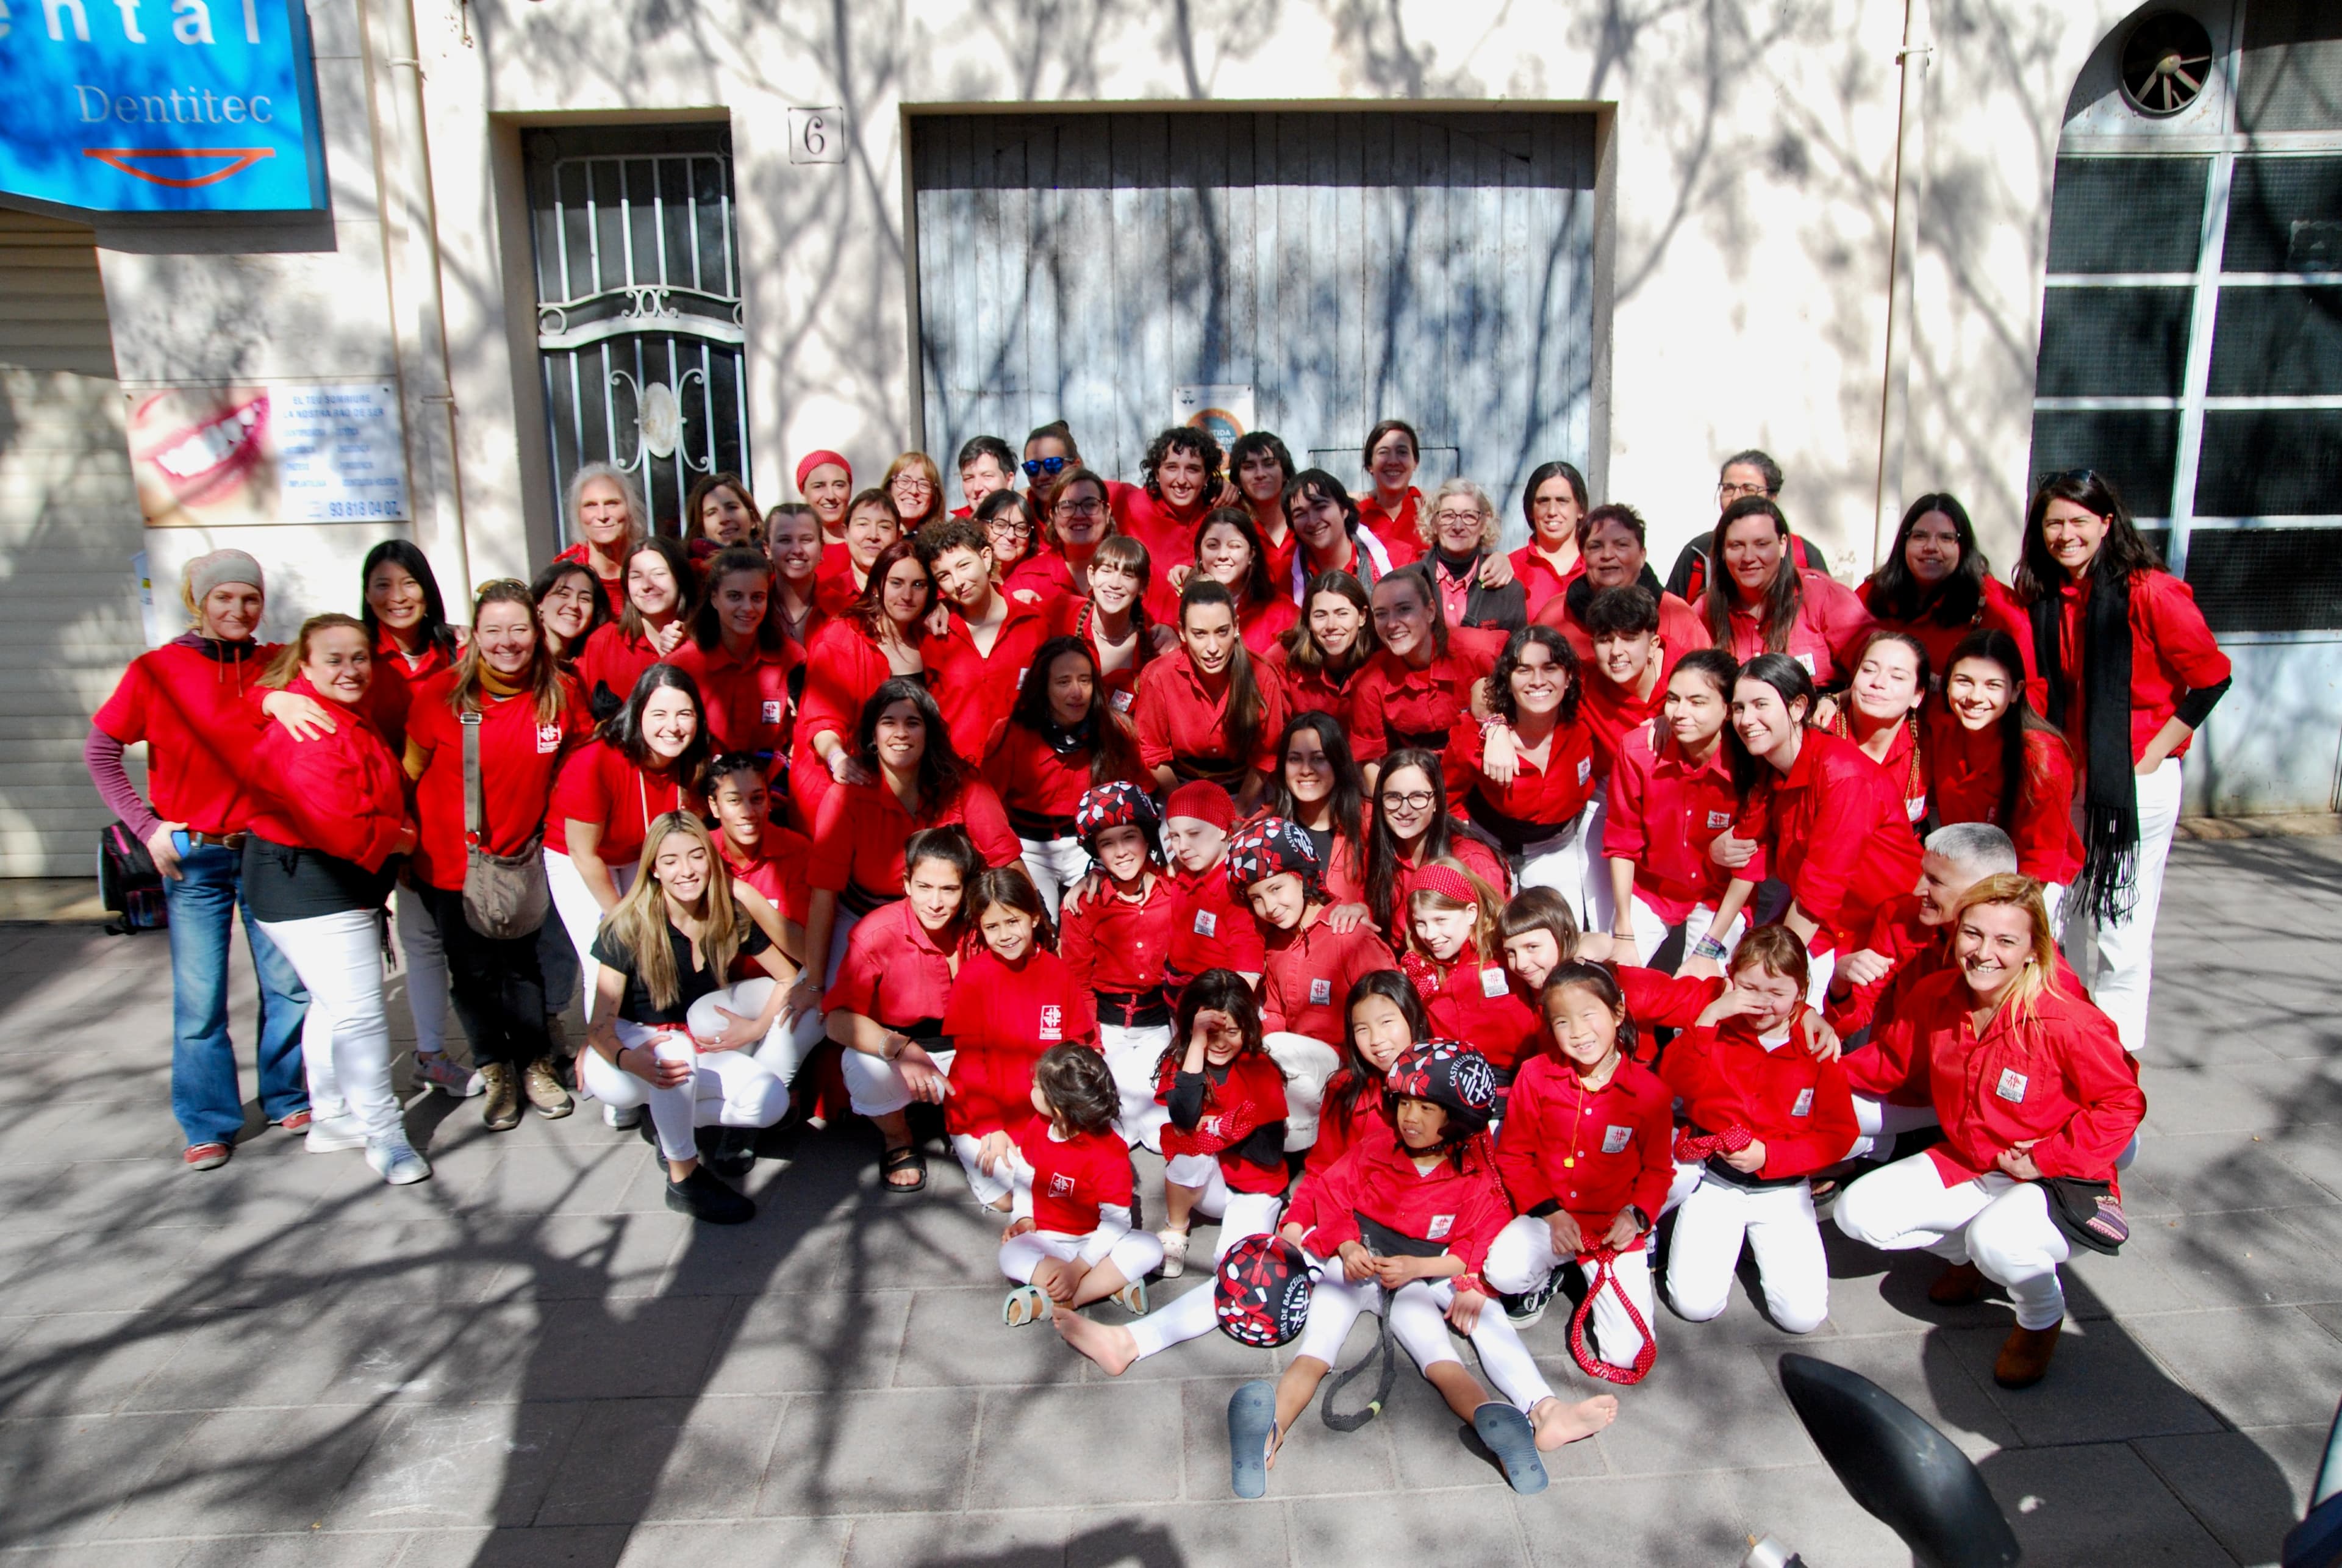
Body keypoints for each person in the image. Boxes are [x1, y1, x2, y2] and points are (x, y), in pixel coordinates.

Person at [1237, 1040, 1612, 1499]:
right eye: (1405, 1103)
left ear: (1457, 1116)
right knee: (1316, 1352)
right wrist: (1348, 1244)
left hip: (1416, 1278)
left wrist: (1423, 1266)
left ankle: (1518, 1431)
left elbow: (1479, 1240)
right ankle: (1268, 1434)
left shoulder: (1477, 1173)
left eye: (1427, 1106)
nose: (1409, 1117)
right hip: (1355, 1269)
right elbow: (1333, 1195)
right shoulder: (1378, 1147)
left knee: (1447, 1360)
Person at [1835, 873, 2146, 1387]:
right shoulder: (1938, 994)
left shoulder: (2065, 1019)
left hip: (2053, 1177)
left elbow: (2121, 1102)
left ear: (2033, 949)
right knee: (1857, 1214)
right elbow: (1888, 1063)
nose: (1983, 952)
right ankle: (1973, 1258)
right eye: (1973, 934)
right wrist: (1802, 1063)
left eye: (2006, 940)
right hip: (1970, 1159)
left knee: (1995, 1238)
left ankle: (2039, 1320)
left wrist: (2046, 1158)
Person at [87, 550, 310, 1170]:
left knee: (289, 987)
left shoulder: (276, 666)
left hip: (269, 852)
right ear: (199, 602)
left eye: (250, 598)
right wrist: (147, 826)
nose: (238, 610)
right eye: (224, 598)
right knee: (200, 997)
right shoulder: (156, 671)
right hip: (196, 860)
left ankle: (289, 1093)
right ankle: (208, 1120)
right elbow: (101, 749)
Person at [2014, 468, 2230, 1051]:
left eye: (2079, 522)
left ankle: (2113, 1056)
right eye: (2053, 523)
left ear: (2107, 524)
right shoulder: (2042, 595)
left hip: (2132, 782)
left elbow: (2211, 678)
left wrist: (2155, 751)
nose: (2065, 535)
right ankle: (2053, 1036)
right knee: (2049, 911)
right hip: (2062, 777)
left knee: (2119, 926)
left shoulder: (2149, 591)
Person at [244, 614, 426, 1184]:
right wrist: (400, 838)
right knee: (360, 1013)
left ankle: (332, 1116)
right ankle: (386, 1134)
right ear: (306, 666)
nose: (350, 670)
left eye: (359, 658)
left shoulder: (329, 710)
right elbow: (341, 826)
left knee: (330, 1006)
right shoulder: (310, 729)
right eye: (335, 659)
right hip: (315, 881)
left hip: (307, 878)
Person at [404, 581, 587, 1128]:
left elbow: (578, 767)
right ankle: (495, 1069)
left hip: (523, 861)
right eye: (494, 630)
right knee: (475, 975)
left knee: (525, 969)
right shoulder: (439, 696)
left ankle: (534, 1063)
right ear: (475, 636)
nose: (508, 642)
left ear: (536, 629)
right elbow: (407, 774)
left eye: (518, 629)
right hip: (450, 864)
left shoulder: (560, 693)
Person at [579, 812, 804, 1225]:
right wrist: (629, 1059)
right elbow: (599, 1025)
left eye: (697, 856)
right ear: (654, 869)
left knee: (768, 1099)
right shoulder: (627, 924)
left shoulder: (726, 913)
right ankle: (684, 1176)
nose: (686, 870)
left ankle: (666, 1120)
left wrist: (756, 1027)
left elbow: (789, 975)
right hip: (630, 1051)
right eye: (670, 861)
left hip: (690, 1048)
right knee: (673, 1052)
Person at [1059, 971, 1287, 1363]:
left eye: (1230, 1031)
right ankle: (1176, 1229)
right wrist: (1196, 1050)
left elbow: (1267, 1153)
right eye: (1208, 1031)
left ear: (1247, 1029)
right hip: (1210, 1183)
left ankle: (1131, 1343)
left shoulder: (1258, 1068)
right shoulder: (1184, 1062)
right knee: (1187, 1149)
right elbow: (1183, 1118)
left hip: (1254, 1188)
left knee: (1233, 1273)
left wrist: (1216, 1129)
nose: (1220, 1041)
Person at [1660, 925, 1858, 1334]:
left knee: (1802, 1317)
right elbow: (1675, 1080)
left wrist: (1772, 1156)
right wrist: (1710, 1016)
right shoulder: (1717, 1029)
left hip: (1783, 1189)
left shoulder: (1816, 1045)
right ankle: (1730, 1242)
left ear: (1801, 993)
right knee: (1693, 1304)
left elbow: (1840, 1133)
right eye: (1749, 988)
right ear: (1731, 978)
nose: (1762, 1003)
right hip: (1717, 1179)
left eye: (1776, 993)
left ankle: (1755, 1246)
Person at [1486, 962, 1672, 1362]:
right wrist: (1551, 1213)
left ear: (1618, 1012)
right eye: (1562, 1021)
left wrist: (1637, 1217)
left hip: (1611, 1228)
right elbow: (1515, 1155)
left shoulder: (1650, 1091)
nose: (1578, 1032)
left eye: (1590, 1015)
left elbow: (1658, 1171)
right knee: (1501, 1271)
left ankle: (1596, 1275)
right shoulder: (1535, 1075)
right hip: (1551, 1217)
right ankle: (1550, 1273)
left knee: (1627, 1354)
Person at [797, 678, 1022, 1009]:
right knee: (816, 1015)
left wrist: (1039, 930)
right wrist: (814, 982)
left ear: (929, 733)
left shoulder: (962, 783)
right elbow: (823, 895)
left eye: (912, 723)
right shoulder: (845, 797)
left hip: (942, 916)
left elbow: (1006, 860)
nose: (900, 733)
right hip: (860, 916)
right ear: (873, 735)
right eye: (888, 722)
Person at [1711, 653, 1924, 999]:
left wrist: (1775, 973)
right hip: (1824, 927)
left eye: (1761, 705)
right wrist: (1710, 945)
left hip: (1880, 933)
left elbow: (1820, 891)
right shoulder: (1769, 766)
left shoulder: (1842, 775)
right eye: (1739, 708)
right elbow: (1750, 850)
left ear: (1798, 708)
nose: (1747, 719)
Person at [543, 662, 711, 1073]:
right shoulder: (596, 760)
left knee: (658, 945)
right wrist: (622, 914)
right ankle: (610, 1068)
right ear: (638, 713)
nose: (673, 726)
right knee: (606, 951)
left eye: (684, 714)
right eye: (660, 714)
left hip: (642, 849)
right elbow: (584, 853)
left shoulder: (693, 761)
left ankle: (658, 1039)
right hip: (581, 856)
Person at [1827, 823, 2024, 1165]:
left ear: (1983, 892)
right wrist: (1841, 981)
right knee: (1812, 1103)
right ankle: (1905, 1145)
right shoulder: (1901, 918)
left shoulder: (2024, 948)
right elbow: (1856, 1021)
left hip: (1984, 1097)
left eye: (1935, 881)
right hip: (1907, 1082)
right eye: (1923, 874)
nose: (1919, 888)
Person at [355, 541, 467, 1095]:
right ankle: (429, 1052)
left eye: (408, 584)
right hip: (389, 825)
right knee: (419, 942)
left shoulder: (460, 651)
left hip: (460, 824)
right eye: (382, 585)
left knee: (471, 946)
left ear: (427, 590)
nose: (397, 597)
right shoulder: (359, 657)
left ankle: (502, 1056)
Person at [823, 826, 982, 1192]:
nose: (935, 902)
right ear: (907, 883)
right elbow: (837, 1021)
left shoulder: (980, 923)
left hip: (969, 1047)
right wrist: (900, 1047)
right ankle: (898, 1136)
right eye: (925, 887)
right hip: (902, 1045)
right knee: (860, 1064)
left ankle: (969, 1123)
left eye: (949, 889)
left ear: (966, 888)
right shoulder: (876, 933)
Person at [1228, 817, 1397, 1150]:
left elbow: (1391, 1017)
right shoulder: (1276, 944)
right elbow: (1276, 1013)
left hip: (1351, 1068)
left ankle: (1297, 1144)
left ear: (1304, 878)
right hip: (1299, 1073)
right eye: (1256, 898)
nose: (1270, 907)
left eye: (1276, 889)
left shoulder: (1350, 936)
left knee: (1278, 1050)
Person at [941, 866, 1101, 1208]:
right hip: (983, 1113)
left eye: (1012, 921)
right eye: (992, 927)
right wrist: (990, 1127)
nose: (1004, 935)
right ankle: (964, 1146)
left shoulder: (1057, 972)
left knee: (1069, 1189)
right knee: (1010, 1202)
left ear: (1032, 918)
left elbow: (1074, 1046)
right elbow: (969, 1062)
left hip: (1044, 1112)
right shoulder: (972, 979)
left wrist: (1070, 1112)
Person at [982, 637, 1147, 920]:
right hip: (1029, 848)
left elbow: (1137, 800)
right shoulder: (1011, 734)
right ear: (1043, 688)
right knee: (1039, 923)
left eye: (1085, 680)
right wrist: (1010, 863)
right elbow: (988, 811)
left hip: (1090, 844)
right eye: (1063, 682)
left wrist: (1101, 863)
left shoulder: (1114, 729)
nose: (1077, 692)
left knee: (1103, 916)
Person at [1603, 648, 1747, 970]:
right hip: (1653, 888)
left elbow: (1751, 865)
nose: (1680, 713)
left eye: (1698, 702)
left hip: (1719, 896)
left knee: (1703, 992)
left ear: (1727, 709)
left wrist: (1709, 947)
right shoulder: (1640, 750)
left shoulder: (1749, 761)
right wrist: (1624, 932)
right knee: (1613, 979)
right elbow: (1622, 843)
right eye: (1673, 699)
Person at [998, 1044, 1162, 1325]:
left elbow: (1116, 1221)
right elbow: (1025, 1173)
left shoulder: (1108, 1153)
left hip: (1098, 1242)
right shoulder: (1037, 1127)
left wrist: (1077, 1268)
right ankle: (1108, 1284)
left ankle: (1065, 1299)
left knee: (1150, 1248)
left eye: (1037, 1086)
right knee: (1011, 1254)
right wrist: (1024, 1217)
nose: (1031, 1089)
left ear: (1059, 1107)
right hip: (1047, 1239)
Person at [1059, 782, 1181, 1147]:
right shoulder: (1084, 904)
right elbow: (1078, 983)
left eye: (1130, 837)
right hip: (1111, 1030)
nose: (1122, 852)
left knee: (1161, 1136)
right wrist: (1090, 1044)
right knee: (1117, 1134)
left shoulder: (1177, 890)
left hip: (1160, 1024)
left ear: (1147, 838)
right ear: (1095, 852)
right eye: (1107, 843)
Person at [1444, 624, 1597, 907]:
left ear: (1569, 677)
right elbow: (1448, 800)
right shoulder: (1473, 737)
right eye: (1523, 670)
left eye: (1550, 668)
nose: (1537, 680)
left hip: (1555, 847)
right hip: (1487, 843)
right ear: (1508, 679)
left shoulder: (1584, 718)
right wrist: (1469, 852)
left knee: (1559, 938)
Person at [1929, 629, 2082, 901]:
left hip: (2030, 887)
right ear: (1948, 684)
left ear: (2016, 692)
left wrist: (2000, 910)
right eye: (1964, 681)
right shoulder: (1942, 731)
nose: (1975, 697)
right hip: (1966, 876)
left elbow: (2042, 860)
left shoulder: (2042, 756)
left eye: (1993, 685)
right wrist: (1838, 700)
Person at [789, 537, 934, 825]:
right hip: (847, 787)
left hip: (910, 787)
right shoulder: (843, 636)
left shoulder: (929, 639)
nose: (907, 594)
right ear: (878, 587)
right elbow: (821, 719)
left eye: (918, 584)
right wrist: (838, 759)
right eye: (896, 583)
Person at [921, 517, 1076, 759]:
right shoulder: (933, 633)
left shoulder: (1034, 624)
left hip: (1023, 774)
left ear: (985, 557)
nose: (958, 582)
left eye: (963, 566)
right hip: (955, 775)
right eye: (944, 576)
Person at [1131, 578, 1285, 808]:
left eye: (1222, 632)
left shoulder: (1262, 676)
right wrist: (1183, 806)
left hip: (1246, 792)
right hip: (1179, 790)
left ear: (1236, 627)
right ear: (1182, 632)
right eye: (1200, 634)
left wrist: (1240, 810)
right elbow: (1153, 751)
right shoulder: (1159, 676)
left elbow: (1265, 757)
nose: (1212, 648)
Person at [1859, 493, 2035, 686]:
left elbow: (2030, 689)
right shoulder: (1874, 594)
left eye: (1946, 538)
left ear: (1964, 546)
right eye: (1920, 536)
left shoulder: (1997, 607)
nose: (1931, 547)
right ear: (1904, 542)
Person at [1700, 496, 1875, 687]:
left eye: (1761, 544)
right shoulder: (1705, 610)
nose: (1748, 557)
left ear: (1783, 544)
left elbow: (1881, 670)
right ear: (1723, 552)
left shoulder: (1824, 597)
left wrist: (1837, 700)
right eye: (1736, 546)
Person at [1350, 567, 1505, 772]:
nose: (1392, 624)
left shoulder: (1481, 652)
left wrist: (1500, 732)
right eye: (1381, 614)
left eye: (1404, 609)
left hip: (1488, 772)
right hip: (1418, 787)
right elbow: (1369, 761)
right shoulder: (1370, 681)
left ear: (1430, 611)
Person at [1402, 862, 1544, 1083]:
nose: (1430, 934)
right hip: (1451, 1083)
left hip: (1514, 1077)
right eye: (1421, 923)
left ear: (1471, 913)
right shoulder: (1419, 969)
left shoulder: (1503, 952)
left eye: (1441, 920)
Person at [667, 546, 801, 765]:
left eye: (757, 597)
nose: (747, 607)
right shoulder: (683, 665)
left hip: (772, 788)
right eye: (735, 597)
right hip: (703, 784)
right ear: (713, 599)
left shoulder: (791, 658)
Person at [1362, 748, 1510, 940]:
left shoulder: (1471, 858)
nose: (1404, 809)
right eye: (1394, 797)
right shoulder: (1380, 854)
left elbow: (1493, 936)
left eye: (1418, 797)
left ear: (1437, 802)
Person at [1536, 502, 1708, 664]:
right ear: (1583, 556)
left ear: (1642, 556)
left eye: (1621, 545)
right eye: (1596, 546)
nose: (1608, 555)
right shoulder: (1555, 616)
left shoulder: (1677, 616)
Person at [1156, 780, 1268, 1003]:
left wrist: (1225, 1011)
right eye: (1175, 836)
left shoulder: (1234, 887)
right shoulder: (1183, 876)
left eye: (1193, 833)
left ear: (1220, 829)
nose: (1183, 846)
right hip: (1177, 996)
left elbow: (1247, 964)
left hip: (1216, 1002)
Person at [1310, 970, 1430, 1176]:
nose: (1376, 1039)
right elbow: (1322, 1169)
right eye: (1362, 1029)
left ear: (1412, 1018)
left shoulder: (1448, 1082)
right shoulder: (1344, 1088)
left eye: (1386, 1022)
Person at [1664, 449, 1821, 604]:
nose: (1736, 498)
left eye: (1749, 489)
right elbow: (1670, 621)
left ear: (1772, 498)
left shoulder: (1804, 554)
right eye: (1728, 488)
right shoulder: (1699, 554)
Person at [1818, 631, 1930, 828]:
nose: (1878, 683)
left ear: (1918, 696)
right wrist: (1830, 698)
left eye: (1897, 677)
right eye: (1868, 670)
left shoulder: (1930, 739)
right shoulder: (1819, 732)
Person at [1263, 712, 1373, 909]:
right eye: (1295, 759)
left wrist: (1364, 910)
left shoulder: (1370, 821)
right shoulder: (1264, 829)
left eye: (1319, 759)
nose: (1306, 770)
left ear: (1338, 763)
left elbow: (1391, 896)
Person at [576, 536, 695, 719]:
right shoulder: (602, 642)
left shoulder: (705, 640)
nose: (647, 585)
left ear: (680, 578)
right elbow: (582, 716)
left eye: (659, 574)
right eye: (636, 576)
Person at [1113, 426, 1226, 617]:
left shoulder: (1220, 517)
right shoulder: (1130, 502)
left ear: (1207, 476)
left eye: (1193, 469)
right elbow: (1074, 488)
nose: (1181, 480)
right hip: (1143, 633)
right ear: (1157, 473)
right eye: (1172, 467)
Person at [1262, 570, 1377, 731]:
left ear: (1362, 617)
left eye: (1342, 614)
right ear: (1308, 619)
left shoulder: (1380, 658)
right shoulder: (1283, 661)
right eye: (1320, 615)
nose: (1331, 626)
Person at [1420, 479, 1527, 633]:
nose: (1458, 526)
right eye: (1448, 516)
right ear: (1434, 522)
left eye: (1469, 516)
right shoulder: (1410, 582)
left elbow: (1514, 654)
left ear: (1484, 524)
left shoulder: (1508, 592)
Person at [1189, 506, 1297, 654]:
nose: (1223, 555)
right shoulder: (1184, 607)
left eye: (1234, 546)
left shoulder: (1283, 612)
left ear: (1252, 554)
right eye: (1212, 546)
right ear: (1200, 553)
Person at [1072, 532, 1156, 713]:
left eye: (1128, 575)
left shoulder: (1151, 649)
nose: (1115, 583)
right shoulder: (1061, 614)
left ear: (1143, 586)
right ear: (1091, 575)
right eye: (1107, 571)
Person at [553, 462, 646, 618]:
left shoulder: (651, 570)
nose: (602, 516)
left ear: (630, 510)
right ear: (578, 515)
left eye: (612, 503)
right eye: (590, 505)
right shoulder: (565, 580)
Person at [1284, 468, 1394, 600]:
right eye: (1300, 514)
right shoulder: (1284, 580)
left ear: (1344, 509)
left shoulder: (1397, 559)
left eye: (1321, 507)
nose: (1312, 522)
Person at [1510, 460, 1589, 618]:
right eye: (1543, 501)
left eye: (1562, 501)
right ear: (1531, 510)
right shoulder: (1512, 569)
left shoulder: (1599, 565)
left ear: (1580, 509)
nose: (1552, 511)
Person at [813, 489, 905, 617]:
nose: (873, 536)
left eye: (884, 527)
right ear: (846, 533)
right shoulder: (826, 595)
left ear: (898, 537)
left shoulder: (910, 595)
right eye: (863, 524)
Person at [1227, 429, 1302, 587]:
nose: (1260, 474)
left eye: (1269, 464)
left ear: (1286, 473)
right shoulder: (1232, 528)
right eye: (1249, 467)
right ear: (1238, 479)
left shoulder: (1306, 520)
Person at [1356, 418, 1427, 566]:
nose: (1393, 461)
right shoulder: (1355, 517)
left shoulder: (1432, 513)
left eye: (1402, 452)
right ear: (1370, 464)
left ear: (1415, 462)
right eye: (1384, 452)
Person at [763, 502, 827, 651]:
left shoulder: (843, 611)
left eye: (806, 540)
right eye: (785, 540)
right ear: (767, 549)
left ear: (822, 548)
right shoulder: (750, 607)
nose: (797, 550)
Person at [977, 488, 1061, 600]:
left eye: (1021, 528)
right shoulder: (964, 575)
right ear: (979, 526)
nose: (1011, 536)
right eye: (1000, 525)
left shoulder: (1041, 579)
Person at [531, 558, 607, 675]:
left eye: (584, 599)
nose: (574, 605)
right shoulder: (522, 660)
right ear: (539, 603)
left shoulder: (590, 668)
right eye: (563, 594)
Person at [686, 471, 764, 561]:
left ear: (752, 518)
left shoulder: (777, 562)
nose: (724, 519)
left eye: (732, 508)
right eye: (712, 513)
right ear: (701, 527)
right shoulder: (687, 572)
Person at [795, 449, 854, 542]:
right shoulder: (793, 547)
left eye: (839, 485)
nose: (830, 496)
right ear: (803, 492)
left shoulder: (869, 543)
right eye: (819, 486)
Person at [954, 435, 1018, 518]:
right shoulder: (954, 529)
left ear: (1009, 480)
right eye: (969, 478)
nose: (977, 488)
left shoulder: (1029, 525)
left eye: (987, 476)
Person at [884, 451, 945, 533]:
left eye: (923, 484)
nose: (913, 491)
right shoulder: (869, 540)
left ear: (934, 497)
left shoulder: (941, 544)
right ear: (889, 488)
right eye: (905, 481)